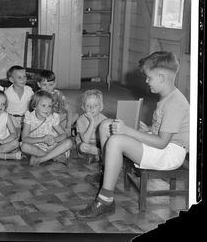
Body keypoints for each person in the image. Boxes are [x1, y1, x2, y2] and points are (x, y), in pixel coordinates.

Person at [76, 51, 189, 220]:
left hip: (170, 155)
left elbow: (162, 143)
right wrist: (149, 130)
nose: (146, 81)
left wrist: (129, 131)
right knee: (107, 125)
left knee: (116, 141)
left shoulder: (175, 103)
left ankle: (105, 200)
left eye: (148, 77)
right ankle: (107, 173)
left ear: (161, 77)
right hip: (163, 148)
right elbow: (166, 130)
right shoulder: (166, 97)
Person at [20, 90, 73, 165]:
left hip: (52, 146)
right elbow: (24, 138)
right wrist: (42, 139)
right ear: (35, 106)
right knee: (24, 146)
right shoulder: (29, 117)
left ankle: (42, 159)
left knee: (69, 142)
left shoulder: (52, 118)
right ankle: (54, 156)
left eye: (49, 106)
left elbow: (63, 135)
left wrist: (55, 140)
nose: (47, 109)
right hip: (37, 147)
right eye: (43, 105)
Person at [75, 89, 108, 164]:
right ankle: (100, 154)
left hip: (99, 144)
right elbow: (85, 140)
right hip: (85, 144)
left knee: (111, 144)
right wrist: (92, 122)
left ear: (101, 107)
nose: (91, 108)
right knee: (83, 147)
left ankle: (95, 155)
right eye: (88, 105)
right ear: (83, 107)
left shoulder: (105, 119)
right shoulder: (80, 120)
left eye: (95, 105)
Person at [36, 70, 74, 134]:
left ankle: (67, 128)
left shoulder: (57, 93)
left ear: (55, 84)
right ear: (39, 84)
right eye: (44, 84)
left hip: (58, 117)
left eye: (50, 84)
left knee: (74, 115)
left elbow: (69, 109)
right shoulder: (37, 95)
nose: (47, 87)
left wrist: (68, 126)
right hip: (44, 118)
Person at [4, 65, 34, 137]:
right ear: (11, 80)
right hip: (12, 119)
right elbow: (4, 109)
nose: (23, 79)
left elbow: (33, 103)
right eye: (19, 77)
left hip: (26, 118)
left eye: (24, 76)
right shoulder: (7, 93)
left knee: (31, 135)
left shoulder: (29, 90)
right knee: (15, 136)